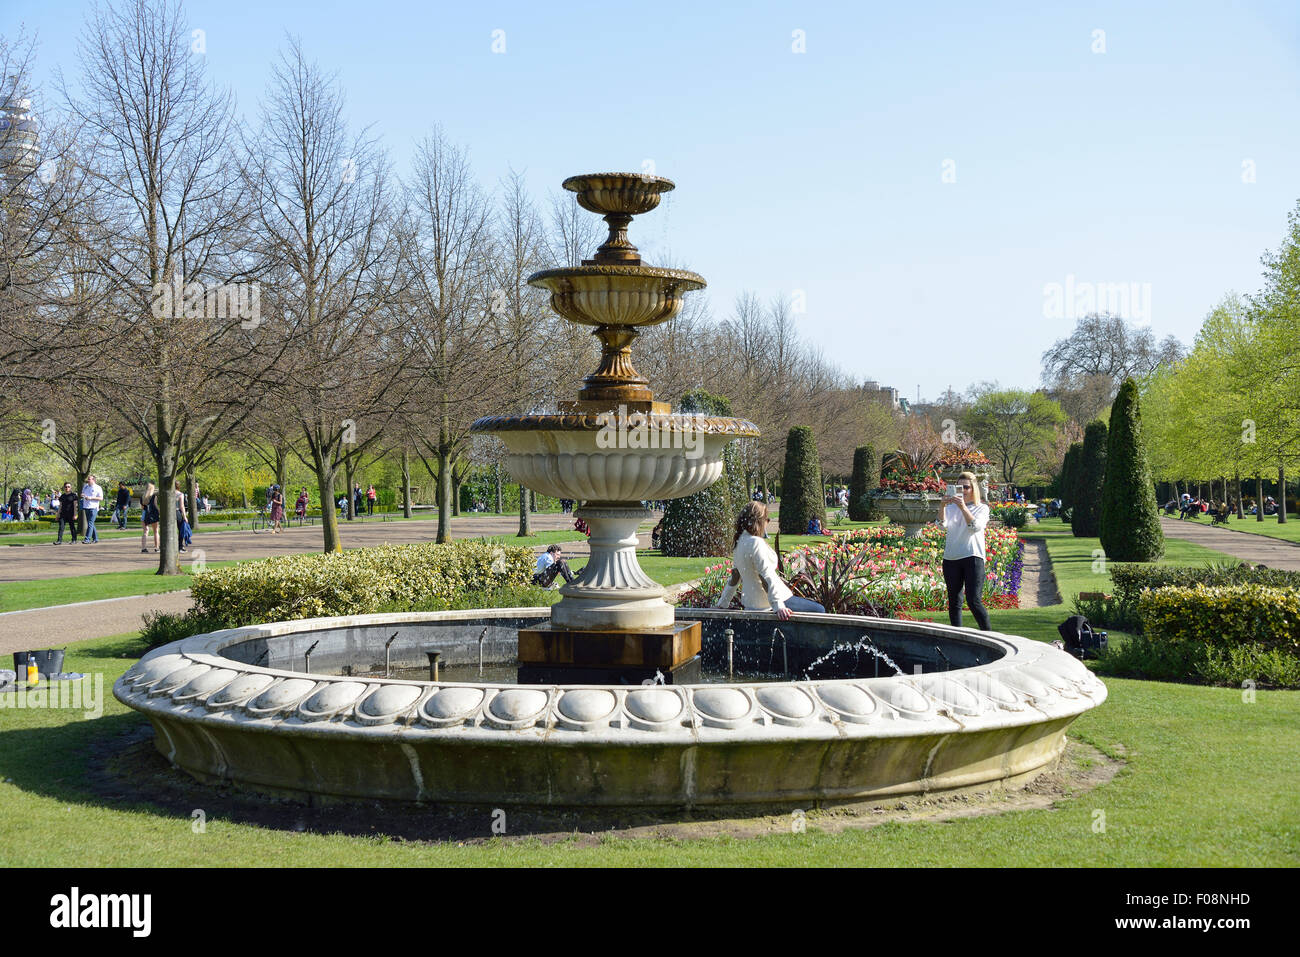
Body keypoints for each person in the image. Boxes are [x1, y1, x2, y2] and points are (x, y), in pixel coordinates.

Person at [715, 501, 825, 619]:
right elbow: (765, 575)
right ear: (759, 520)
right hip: (770, 602)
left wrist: (722, 603)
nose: (767, 523)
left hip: (751, 603)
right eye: (767, 519)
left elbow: (735, 577)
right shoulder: (755, 543)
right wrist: (778, 606)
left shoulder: (739, 542)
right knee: (819, 610)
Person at [938, 470, 991, 631]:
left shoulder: (981, 508)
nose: (963, 491)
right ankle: (957, 636)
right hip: (951, 558)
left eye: (966, 487)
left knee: (974, 601)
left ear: (974, 489)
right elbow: (941, 525)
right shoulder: (951, 508)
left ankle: (989, 635)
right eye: (959, 488)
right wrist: (942, 505)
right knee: (954, 601)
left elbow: (975, 527)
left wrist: (962, 507)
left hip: (972, 557)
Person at [81, 474, 104, 543]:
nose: (88, 480)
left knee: (90, 523)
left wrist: (91, 498)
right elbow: (83, 494)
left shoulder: (98, 488)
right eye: (88, 479)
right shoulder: (85, 486)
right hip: (86, 506)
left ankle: (87, 539)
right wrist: (83, 495)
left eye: (89, 479)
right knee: (91, 523)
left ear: (93, 480)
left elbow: (101, 498)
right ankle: (96, 538)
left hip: (94, 507)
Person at [140, 482, 160, 553]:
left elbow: (142, 507)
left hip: (144, 514)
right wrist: (159, 512)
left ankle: (143, 548)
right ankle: (156, 547)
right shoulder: (154, 496)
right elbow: (155, 506)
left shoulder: (142, 496)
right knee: (156, 531)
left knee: (145, 532)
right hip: (153, 514)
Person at [175, 482, 191, 552]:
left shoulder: (167, 493)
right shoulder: (180, 494)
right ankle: (180, 546)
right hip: (177, 512)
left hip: (168, 513)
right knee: (181, 530)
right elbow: (182, 506)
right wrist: (184, 516)